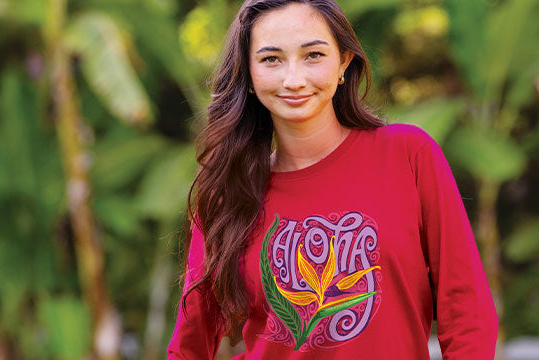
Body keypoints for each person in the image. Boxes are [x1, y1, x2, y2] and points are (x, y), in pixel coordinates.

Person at [168, 0, 499, 358]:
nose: (294, 80)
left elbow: (467, 313)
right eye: (271, 59)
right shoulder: (227, 195)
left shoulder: (408, 154)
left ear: (343, 62)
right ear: (248, 75)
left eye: (313, 55)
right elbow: (189, 346)